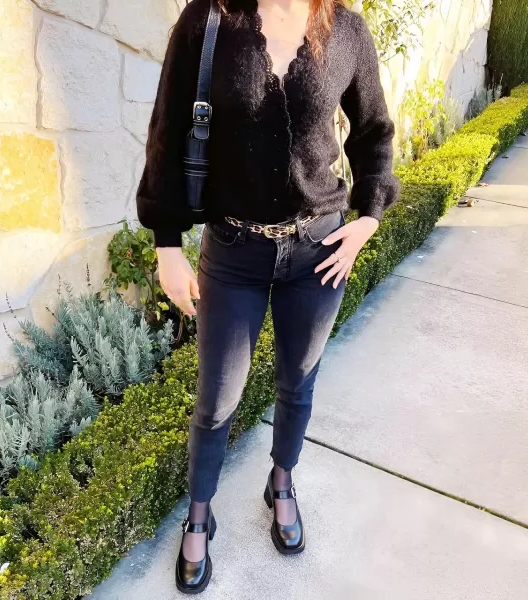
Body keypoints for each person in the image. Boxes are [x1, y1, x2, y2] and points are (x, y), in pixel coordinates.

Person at [137, 0, 398, 593]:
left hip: (318, 251)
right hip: (234, 253)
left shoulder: (346, 30)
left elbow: (374, 130)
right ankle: (199, 513)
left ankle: (281, 481)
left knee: (297, 382)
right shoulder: (209, 19)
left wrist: (368, 217)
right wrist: (167, 244)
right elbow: (167, 128)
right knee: (217, 400)